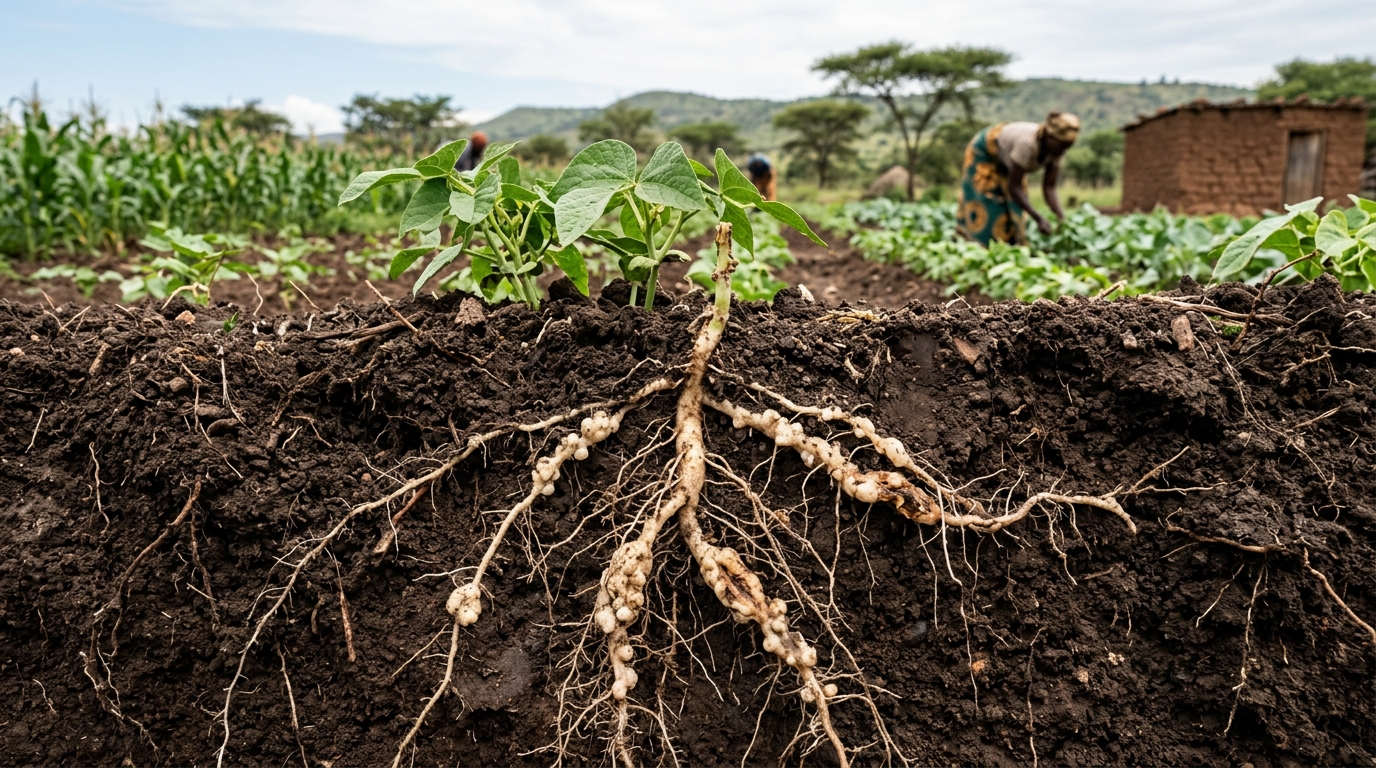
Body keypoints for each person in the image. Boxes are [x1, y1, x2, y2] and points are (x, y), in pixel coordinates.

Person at [956, 112, 1080, 246]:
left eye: (1067, 147)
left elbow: (1049, 187)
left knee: (1016, 210)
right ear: (1049, 137)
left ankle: (1011, 246)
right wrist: (1038, 218)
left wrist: (1061, 218)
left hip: (1007, 161)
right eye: (1061, 145)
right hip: (985, 153)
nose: (1063, 151)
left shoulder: (1057, 151)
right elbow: (1014, 186)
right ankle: (980, 246)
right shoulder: (1028, 144)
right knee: (990, 205)